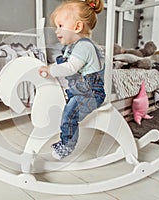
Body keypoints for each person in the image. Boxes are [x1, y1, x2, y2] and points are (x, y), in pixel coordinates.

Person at [38, 0, 106, 160]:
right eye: (56, 27)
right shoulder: (72, 47)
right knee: (67, 105)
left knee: (70, 113)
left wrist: (50, 69)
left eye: (60, 26)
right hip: (80, 91)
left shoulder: (84, 46)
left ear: (77, 27)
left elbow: (70, 68)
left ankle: (67, 144)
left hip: (91, 94)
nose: (56, 31)